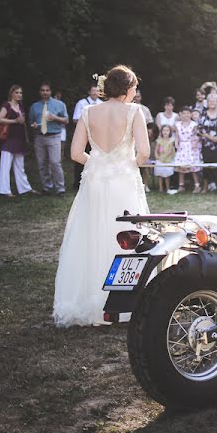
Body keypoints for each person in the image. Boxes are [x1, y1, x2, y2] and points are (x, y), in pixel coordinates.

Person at [54, 65, 150, 327]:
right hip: (123, 181)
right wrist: (123, 164)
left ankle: (88, 300)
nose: (135, 92)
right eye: (134, 88)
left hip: (95, 182)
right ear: (128, 89)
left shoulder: (88, 112)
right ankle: (123, 303)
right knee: (126, 237)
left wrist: (98, 164)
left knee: (91, 235)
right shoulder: (134, 112)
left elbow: (75, 154)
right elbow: (143, 153)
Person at [28, 83, 69, 195]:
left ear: (51, 92)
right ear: (39, 92)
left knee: (55, 163)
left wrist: (54, 117)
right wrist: (34, 125)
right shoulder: (34, 106)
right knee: (42, 163)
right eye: (42, 90)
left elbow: (66, 120)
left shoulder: (59, 104)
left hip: (54, 136)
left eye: (47, 90)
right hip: (39, 137)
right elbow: (31, 122)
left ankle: (60, 188)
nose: (45, 92)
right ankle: (47, 187)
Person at [0, 85, 33, 197]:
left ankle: (24, 188)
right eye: (17, 92)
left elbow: (22, 121)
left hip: (19, 138)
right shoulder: (7, 105)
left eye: (21, 93)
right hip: (9, 138)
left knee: (20, 165)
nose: (19, 95)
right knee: (5, 165)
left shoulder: (20, 106)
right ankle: (4, 190)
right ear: (11, 93)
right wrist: (15, 120)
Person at [72, 84, 102, 190]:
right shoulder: (82, 103)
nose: (95, 93)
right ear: (89, 92)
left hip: (98, 137)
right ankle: (78, 182)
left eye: (97, 91)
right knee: (80, 158)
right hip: (84, 135)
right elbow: (75, 119)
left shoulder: (102, 104)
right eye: (93, 91)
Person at [173, 105, 203, 192]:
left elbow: (198, 136)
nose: (186, 115)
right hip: (182, 146)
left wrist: (195, 143)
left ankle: (197, 185)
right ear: (180, 114)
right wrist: (176, 143)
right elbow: (177, 136)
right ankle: (181, 185)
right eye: (184, 113)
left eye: (187, 113)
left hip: (191, 147)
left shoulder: (194, 125)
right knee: (181, 166)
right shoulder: (177, 124)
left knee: (192, 167)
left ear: (190, 114)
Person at [154, 125, 177, 193]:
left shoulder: (171, 140)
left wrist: (163, 157)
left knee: (167, 175)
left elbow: (169, 151)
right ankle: (160, 188)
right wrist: (157, 157)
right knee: (160, 175)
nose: (165, 132)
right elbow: (156, 150)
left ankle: (167, 188)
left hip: (168, 160)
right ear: (161, 132)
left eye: (167, 130)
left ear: (170, 132)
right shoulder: (159, 141)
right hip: (160, 160)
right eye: (164, 130)